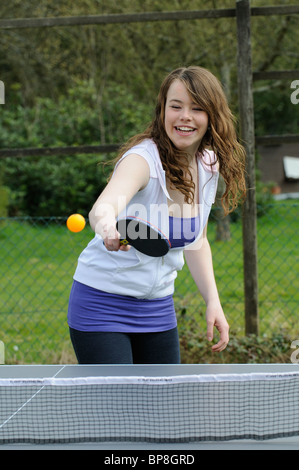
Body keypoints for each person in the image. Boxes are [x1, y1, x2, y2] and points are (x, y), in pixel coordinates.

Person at [67, 66, 246, 364]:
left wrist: (213, 301)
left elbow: (197, 241)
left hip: (158, 308)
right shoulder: (142, 161)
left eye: (197, 108)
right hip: (102, 305)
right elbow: (103, 207)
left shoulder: (208, 165)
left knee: (161, 406)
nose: (185, 116)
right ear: (163, 110)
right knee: (115, 408)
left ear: (212, 116)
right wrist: (108, 228)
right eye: (175, 106)